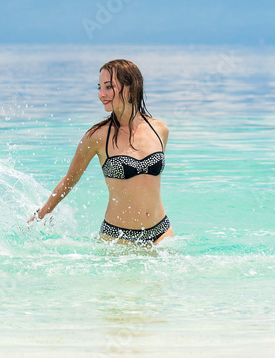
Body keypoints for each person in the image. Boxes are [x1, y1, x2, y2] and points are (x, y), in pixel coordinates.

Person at [27, 59, 174, 245]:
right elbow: (69, 180)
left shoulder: (159, 129)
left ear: (130, 88)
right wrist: (39, 217)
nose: (101, 94)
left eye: (108, 87)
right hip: (118, 237)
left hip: (161, 233)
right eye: (99, 87)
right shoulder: (97, 136)